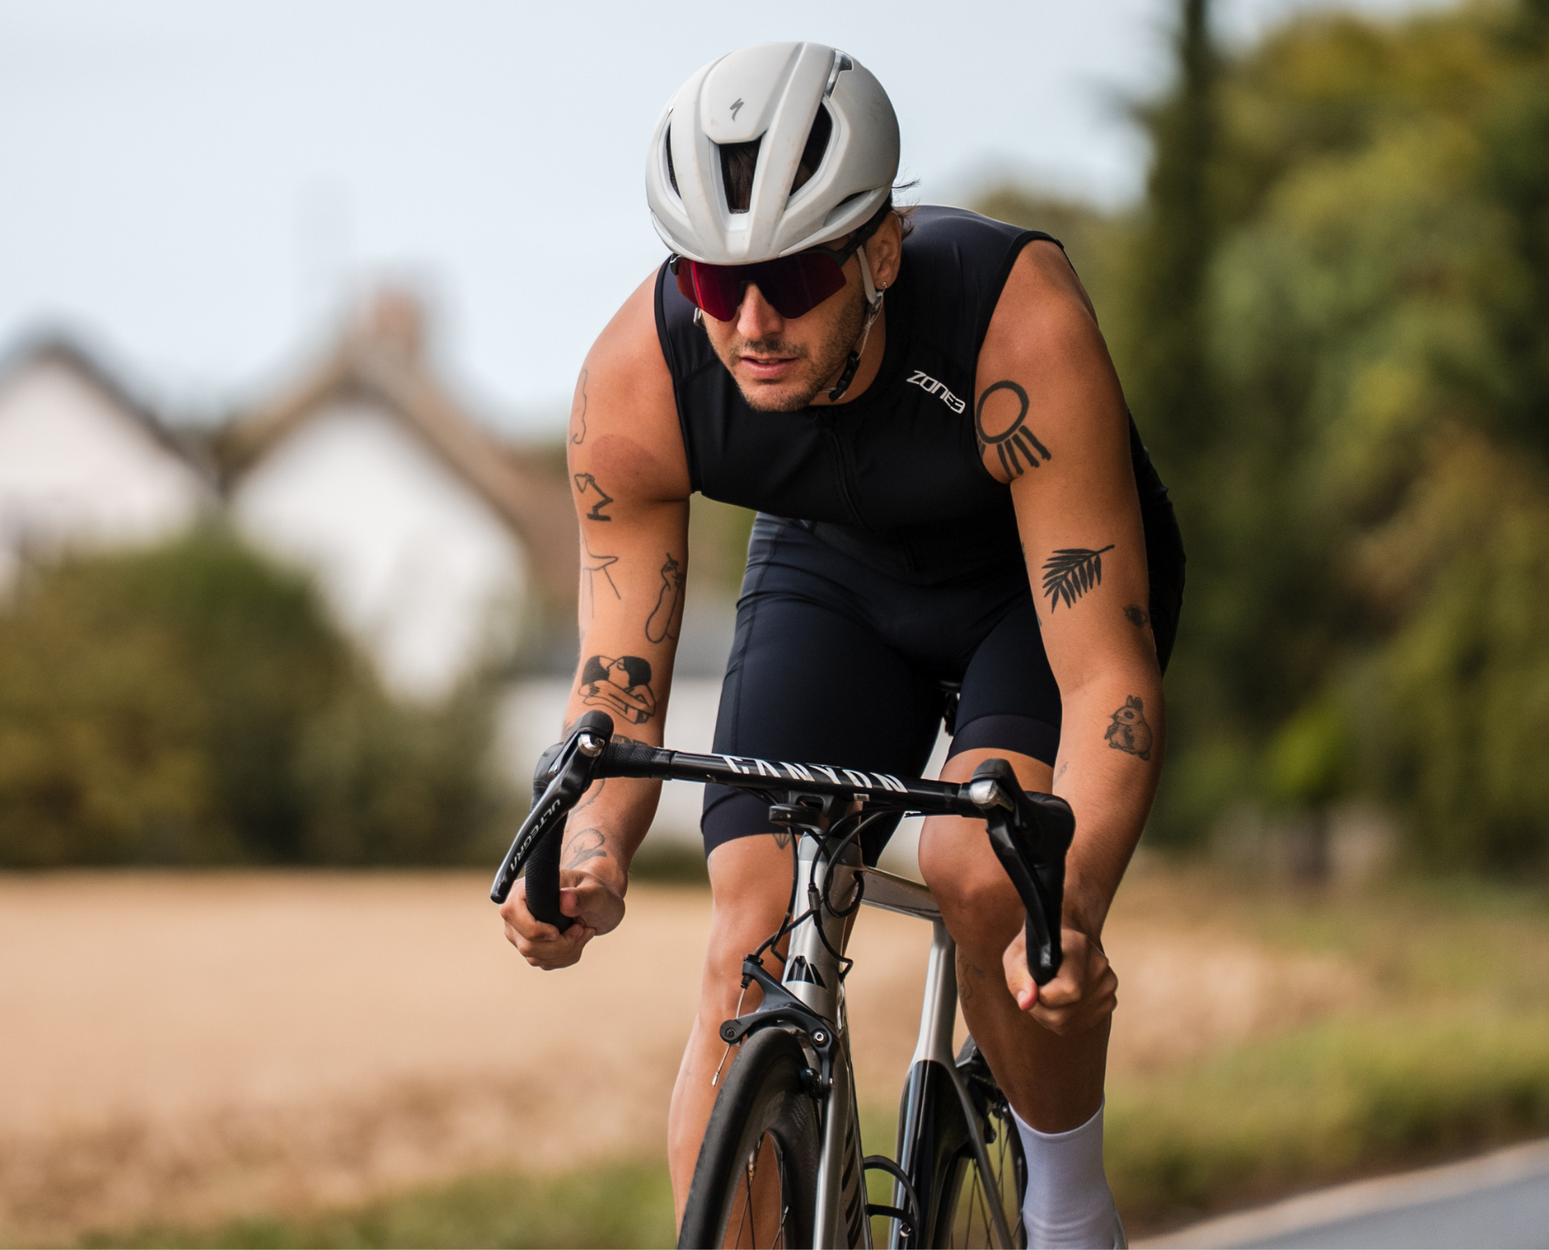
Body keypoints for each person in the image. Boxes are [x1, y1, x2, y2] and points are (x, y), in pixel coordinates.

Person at [496, 41, 1184, 1249]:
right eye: (714, 284)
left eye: (796, 275)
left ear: (880, 249)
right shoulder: (638, 382)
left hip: (1029, 588)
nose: (753, 322)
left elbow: (1105, 682)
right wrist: (588, 851)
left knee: (986, 871)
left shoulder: (1016, 323)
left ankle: (1071, 1205)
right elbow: (618, 691)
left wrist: (1064, 905)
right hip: (833, 579)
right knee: (746, 937)